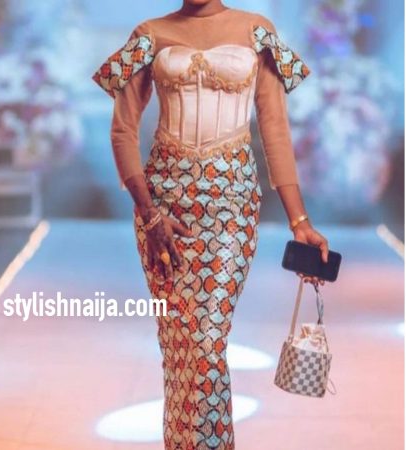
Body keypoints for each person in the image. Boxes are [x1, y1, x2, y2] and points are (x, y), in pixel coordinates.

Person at [92, 1, 329, 448]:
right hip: (163, 212)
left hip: (233, 207)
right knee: (179, 344)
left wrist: (299, 221)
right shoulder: (148, 33)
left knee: (207, 341)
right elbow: (122, 131)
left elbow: (275, 128)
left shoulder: (258, 31)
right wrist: (149, 212)